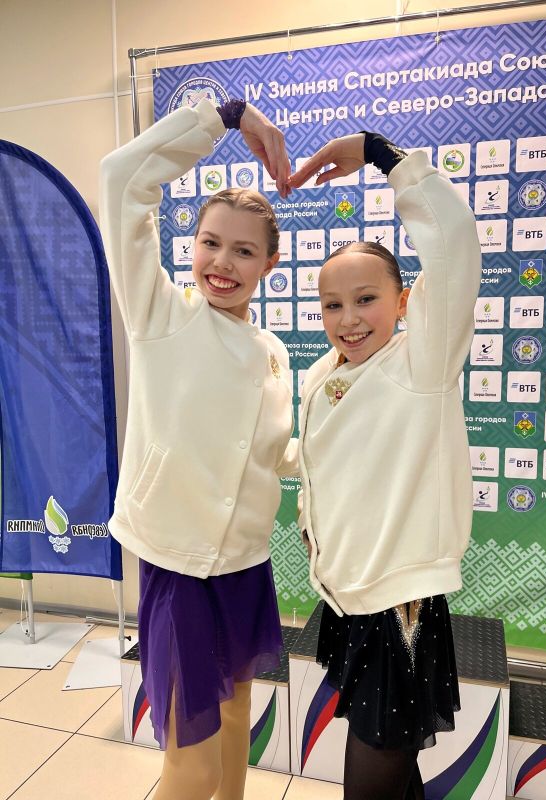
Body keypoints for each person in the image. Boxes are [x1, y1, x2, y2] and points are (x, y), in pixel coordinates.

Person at [100, 98, 297, 800]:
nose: (223, 262)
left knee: (239, 720)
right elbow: (122, 179)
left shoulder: (273, 352)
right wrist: (231, 116)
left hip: (244, 564)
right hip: (179, 562)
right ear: (191, 245)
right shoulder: (163, 315)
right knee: (194, 763)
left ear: (270, 262)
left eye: (244, 250)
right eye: (211, 242)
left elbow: (271, 453)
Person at [290, 132, 481, 800]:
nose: (348, 319)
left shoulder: (421, 362)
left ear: (404, 303)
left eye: (366, 299)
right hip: (349, 596)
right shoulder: (323, 374)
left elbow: (455, 247)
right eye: (332, 304)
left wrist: (382, 155)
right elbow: (322, 462)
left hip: (398, 605)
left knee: (374, 771)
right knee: (395, 767)